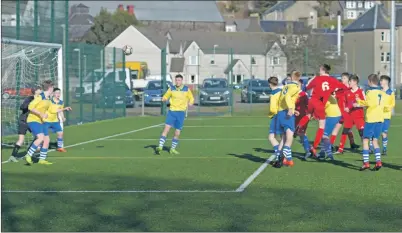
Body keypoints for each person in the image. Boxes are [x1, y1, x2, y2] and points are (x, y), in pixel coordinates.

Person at [297, 64, 347, 156]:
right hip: (331, 112)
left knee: (322, 132)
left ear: (323, 70)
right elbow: (344, 87)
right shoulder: (332, 81)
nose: (319, 71)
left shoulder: (318, 80)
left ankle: (323, 151)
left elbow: (307, 87)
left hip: (323, 108)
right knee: (323, 130)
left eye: (320, 70)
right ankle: (319, 149)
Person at [156, 74, 194, 155]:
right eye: (176, 80)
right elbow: (166, 95)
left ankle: (172, 149)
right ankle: (160, 146)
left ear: (182, 81)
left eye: (179, 80)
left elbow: (191, 98)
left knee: (177, 133)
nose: (177, 82)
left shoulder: (186, 89)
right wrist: (164, 98)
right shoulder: (171, 88)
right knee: (166, 129)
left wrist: (191, 102)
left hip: (181, 113)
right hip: (172, 112)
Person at [356, 74, 385, 171]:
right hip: (380, 119)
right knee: (375, 140)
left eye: (368, 81)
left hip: (371, 119)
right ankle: (378, 162)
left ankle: (366, 163)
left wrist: (359, 101)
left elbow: (368, 103)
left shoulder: (369, 92)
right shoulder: (382, 92)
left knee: (365, 140)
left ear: (370, 81)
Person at [273, 70, 302, 167]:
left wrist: (293, 110)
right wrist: (290, 108)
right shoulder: (295, 87)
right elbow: (288, 97)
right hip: (287, 113)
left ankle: (284, 159)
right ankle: (283, 155)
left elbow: (282, 99)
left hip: (281, 113)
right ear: (298, 78)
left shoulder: (286, 86)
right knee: (289, 138)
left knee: (284, 138)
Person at [7, 85, 42, 162]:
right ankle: (13, 156)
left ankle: (29, 153)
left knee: (38, 136)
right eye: (40, 89)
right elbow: (22, 107)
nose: (41, 91)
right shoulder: (29, 99)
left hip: (31, 121)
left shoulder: (40, 99)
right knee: (21, 139)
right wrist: (30, 105)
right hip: (23, 121)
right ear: (36, 91)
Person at [24, 80, 54, 165]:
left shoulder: (48, 99)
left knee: (46, 140)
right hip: (33, 120)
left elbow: (50, 110)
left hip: (41, 121)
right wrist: (40, 114)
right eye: (52, 87)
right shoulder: (40, 97)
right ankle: (28, 155)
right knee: (40, 138)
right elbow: (30, 107)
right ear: (50, 88)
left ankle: (42, 159)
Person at [335, 75, 366, 154]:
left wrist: (358, 105)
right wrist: (346, 108)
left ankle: (367, 149)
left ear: (355, 82)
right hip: (349, 116)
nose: (349, 83)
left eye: (350, 81)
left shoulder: (360, 91)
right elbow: (345, 103)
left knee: (362, 133)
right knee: (345, 131)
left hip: (358, 116)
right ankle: (340, 149)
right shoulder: (347, 92)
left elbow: (365, 104)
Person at [329, 73, 359, 151]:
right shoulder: (340, 88)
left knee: (347, 128)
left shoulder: (349, 89)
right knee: (338, 127)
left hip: (347, 111)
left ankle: (352, 143)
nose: (342, 79)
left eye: (344, 78)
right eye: (342, 78)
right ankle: (331, 144)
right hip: (341, 111)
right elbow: (334, 93)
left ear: (348, 80)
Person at [44, 88, 72, 152]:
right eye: (56, 93)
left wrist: (62, 117)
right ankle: (39, 146)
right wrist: (64, 109)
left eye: (59, 93)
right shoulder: (49, 101)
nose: (58, 94)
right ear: (53, 93)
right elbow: (52, 111)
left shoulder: (61, 102)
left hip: (55, 121)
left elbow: (60, 111)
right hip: (46, 120)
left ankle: (59, 147)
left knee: (60, 133)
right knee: (44, 135)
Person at [317, 93, 342, 160]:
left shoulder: (326, 95)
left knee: (324, 135)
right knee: (323, 134)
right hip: (333, 116)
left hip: (332, 116)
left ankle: (329, 154)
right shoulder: (327, 95)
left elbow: (323, 106)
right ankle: (322, 153)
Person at [294, 79, 311, 159]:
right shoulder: (293, 94)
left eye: (298, 84)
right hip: (295, 117)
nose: (296, 86)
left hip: (303, 117)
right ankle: (310, 151)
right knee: (300, 135)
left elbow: (309, 105)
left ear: (301, 85)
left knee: (301, 133)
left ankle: (309, 151)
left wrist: (310, 114)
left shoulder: (303, 94)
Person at [267, 76, 283, 160]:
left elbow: (272, 109)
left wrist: (270, 115)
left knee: (271, 137)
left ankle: (279, 154)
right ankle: (284, 155)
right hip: (283, 115)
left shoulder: (273, 94)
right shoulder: (282, 92)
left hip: (276, 116)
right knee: (282, 137)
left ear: (270, 84)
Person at [380, 75, 395, 155]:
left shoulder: (391, 93)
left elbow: (392, 104)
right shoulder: (379, 91)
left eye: (381, 81)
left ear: (386, 82)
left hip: (386, 116)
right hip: (377, 115)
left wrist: (386, 108)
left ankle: (384, 149)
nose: (380, 82)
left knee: (383, 133)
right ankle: (371, 148)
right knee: (373, 133)